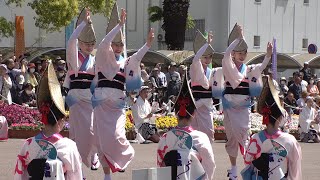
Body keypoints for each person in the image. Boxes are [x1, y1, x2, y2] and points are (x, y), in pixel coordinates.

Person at [92, 4, 154, 179]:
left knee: (118, 135)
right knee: (102, 140)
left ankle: (119, 160)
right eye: (115, 44)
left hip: (118, 104)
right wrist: (119, 26)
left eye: (121, 44)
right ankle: (107, 175)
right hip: (102, 103)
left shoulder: (125, 62)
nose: (118, 47)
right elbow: (104, 43)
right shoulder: (102, 57)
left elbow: (137, 57)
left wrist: (148, 44)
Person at [211, 24, 271, 179]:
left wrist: (268, 55)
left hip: (243, 108)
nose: (242, 55)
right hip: (230, 108)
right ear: (233, 53)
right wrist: (238, 38)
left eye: (244, 53)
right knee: (231, 139)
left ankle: (249, 168)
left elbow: (262, 66)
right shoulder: (227, 67)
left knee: (244, 138)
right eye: (238, 52)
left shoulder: (250, 69)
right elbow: (225, 57)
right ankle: (233, 168)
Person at [14, 61, 83, 179]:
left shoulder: (28, 144)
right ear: (60, 121)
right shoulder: (68, 146)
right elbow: (75, 176)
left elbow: (20, 175)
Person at [157, 71, 216, 180]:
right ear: (194, 113)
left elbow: (160, 166)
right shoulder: (201, 138)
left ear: (175, 113)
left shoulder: (165, 138)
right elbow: (209, 165)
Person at [242, 75, 302, 180]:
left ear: (265, 117)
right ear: (280, 117)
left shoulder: (255, 138)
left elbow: (247, 162)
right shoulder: (290, 140)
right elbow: (294, 169)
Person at [64, 8, 100, 171]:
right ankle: (76, 163)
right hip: (76, 99)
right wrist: (83, 24)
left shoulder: (95, 59)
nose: (89, 46)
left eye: (92, 44)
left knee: (93, 129)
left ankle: (94, 156)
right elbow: (71, 41)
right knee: (76, 133)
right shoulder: (73, 56)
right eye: (86, 43)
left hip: (90, 99)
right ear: (80, 42)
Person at [189, 30, 216, 142]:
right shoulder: (195, 68)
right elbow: (196, 58)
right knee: (193, 132)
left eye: (209, 57)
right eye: (205, 57)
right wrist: (207, 44)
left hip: (207, 104)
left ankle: (206, 155)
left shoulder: (212, 71)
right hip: (196, 103)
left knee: (209, 132)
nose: (207, 59)